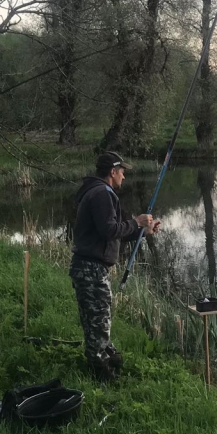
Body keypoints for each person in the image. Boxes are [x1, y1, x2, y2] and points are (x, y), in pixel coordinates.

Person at [70, 151, 161, 381]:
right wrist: (135, 222)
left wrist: (142, 230)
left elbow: (113, 232)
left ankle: (106, 357)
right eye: (122, 172)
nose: (124, 177)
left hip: (91, 267)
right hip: (91, 269)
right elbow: (109, 230)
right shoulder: (102, 193)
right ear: (112, 171)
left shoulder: (99, 191)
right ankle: (100, 372)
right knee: (98, 320)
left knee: (98, 319)